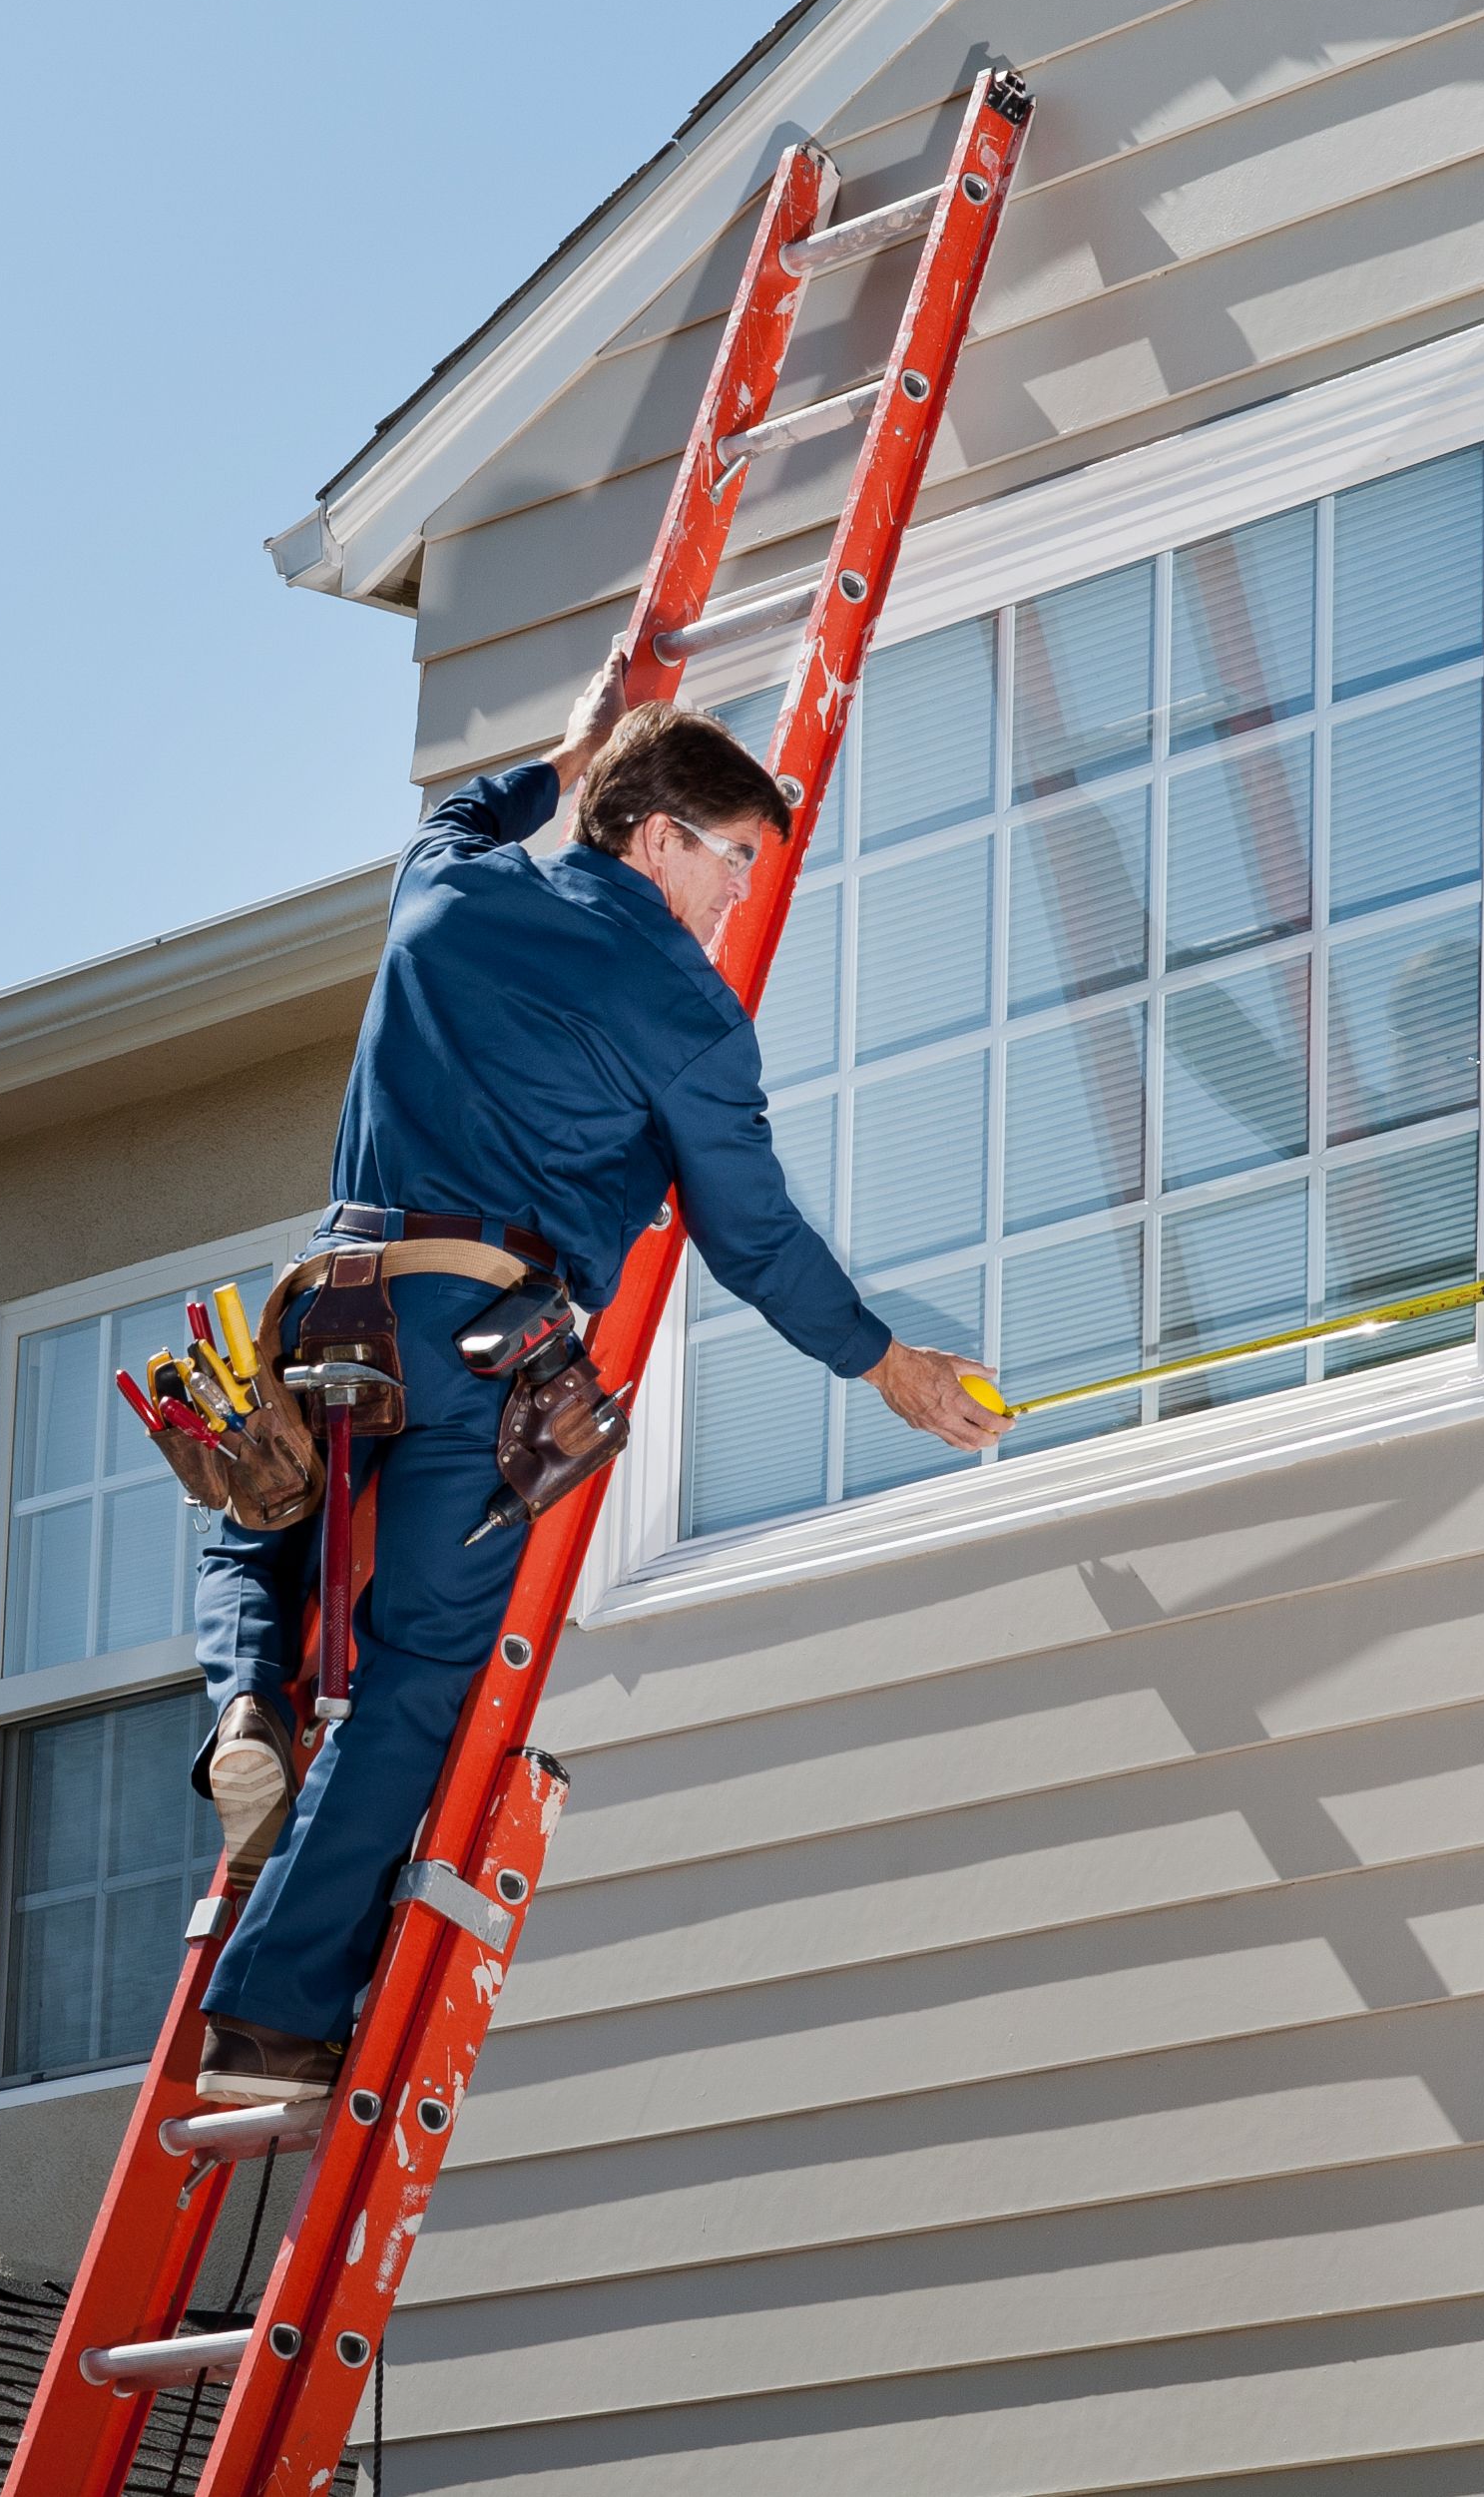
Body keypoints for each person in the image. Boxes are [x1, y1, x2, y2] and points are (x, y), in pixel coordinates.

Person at [189, 649, 1009, 2104]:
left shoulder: (446, 884)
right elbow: (752, 1236)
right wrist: (885, 1362)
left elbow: (465, 809)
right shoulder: (682, 1009)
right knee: (415, 1672)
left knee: (254, 1510)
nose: (740, 896)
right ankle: (269, 2016)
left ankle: (247, 1695)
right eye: (734, 858)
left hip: (330, 1313)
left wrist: (564, 760)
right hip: (473, 1346)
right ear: (658, 838)